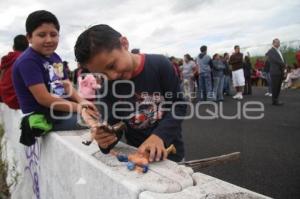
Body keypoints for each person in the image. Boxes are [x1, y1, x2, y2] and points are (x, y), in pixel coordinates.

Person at [74, 24, 186, 162]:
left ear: (124, 44)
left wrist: (159, 136)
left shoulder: (159, 65)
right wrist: (106, 140)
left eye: (111, 65)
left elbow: (179, 105)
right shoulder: (108, 86)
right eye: (102, 74)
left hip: (171, 153)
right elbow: (114, 124)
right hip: (137, 155)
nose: (112, 76)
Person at [12, 10, 98, 136]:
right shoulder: (28, 61)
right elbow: (44, 99)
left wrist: (81, 101)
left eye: (53, 34)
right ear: (29, 38)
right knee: (95, 122)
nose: (49, 40)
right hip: (41, 116)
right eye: (41, 35)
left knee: (100, 113)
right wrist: (79, 108)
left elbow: (66, 85)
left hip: (59, 110)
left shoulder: (55, 57)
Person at [0, 35, 28, 109]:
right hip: (18, 101)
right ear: (28, 47)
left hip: (3, 97)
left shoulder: (6, 59)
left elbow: (1, 77)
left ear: (13, 47)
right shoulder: (28, 59)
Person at [266, 38, 286, 105]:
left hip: (280, 71)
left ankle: (276, 99)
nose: (278, 43)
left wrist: (285, 64)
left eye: (279, 42)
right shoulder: (271, 51)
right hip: (275, 72)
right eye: (277, 42)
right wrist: (284, 64)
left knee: (278, 87)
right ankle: (274, 101)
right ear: (273, 43)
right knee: (275, 87)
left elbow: (282, 59)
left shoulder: (279, 51)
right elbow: (275, 60)